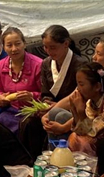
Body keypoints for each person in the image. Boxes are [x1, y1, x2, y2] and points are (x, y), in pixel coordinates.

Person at [21, 25, 83, 153]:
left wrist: (56, 106)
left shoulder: (80, 65)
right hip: (50, 107)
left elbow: (80, 95)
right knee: (28, 122)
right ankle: (34, 160)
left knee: (58, 116)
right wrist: (45, 104)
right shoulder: (46, 63)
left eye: (53, 47)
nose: (49, 51)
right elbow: (45, 92)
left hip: (71, 108)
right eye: (46, 47)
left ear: (66, 44)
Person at [42, 62, 104, 154]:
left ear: (97, 86)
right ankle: (55, 156)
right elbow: (80, 130)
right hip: (91, 134)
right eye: (77, 84)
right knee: (58, 116)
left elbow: (93, 132)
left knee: (79, 140)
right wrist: (74, 109)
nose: (78, 89)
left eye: (81, 84)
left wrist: (80, 112)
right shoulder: (90, 101)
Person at [0, 27, 43, 135]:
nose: (14, 49)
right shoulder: (0, 66)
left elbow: (46, 95)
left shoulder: (38, 65)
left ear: (24, 44)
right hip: (12, 110)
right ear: (4, 47)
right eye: (9, 45)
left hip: (33, 111)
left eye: (18, 44)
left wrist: (32, 96)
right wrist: (0, 98)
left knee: (26, 126)